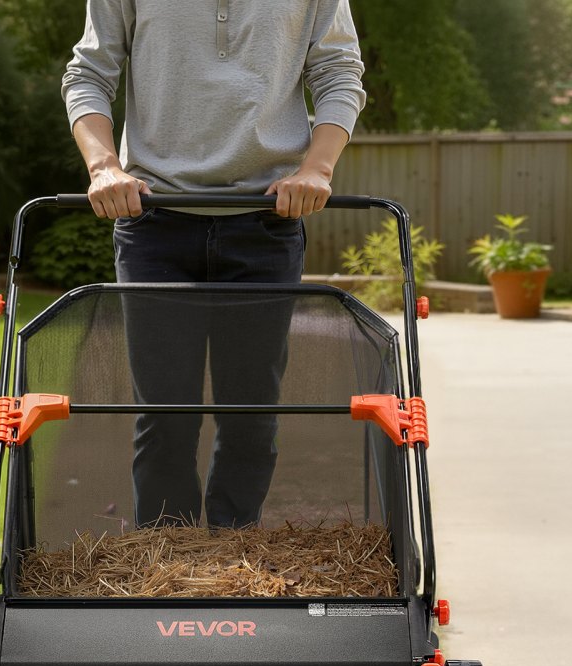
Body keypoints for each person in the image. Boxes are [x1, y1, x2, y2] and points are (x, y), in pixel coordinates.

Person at [63, 1, 366, 529]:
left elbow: (339, 71)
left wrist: (317, 168)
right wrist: (104, 166)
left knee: (250, 416)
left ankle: (234, 555)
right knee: (165, 418)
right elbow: (88, 72)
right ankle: (166, 568)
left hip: (266, 221)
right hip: (154, 220)